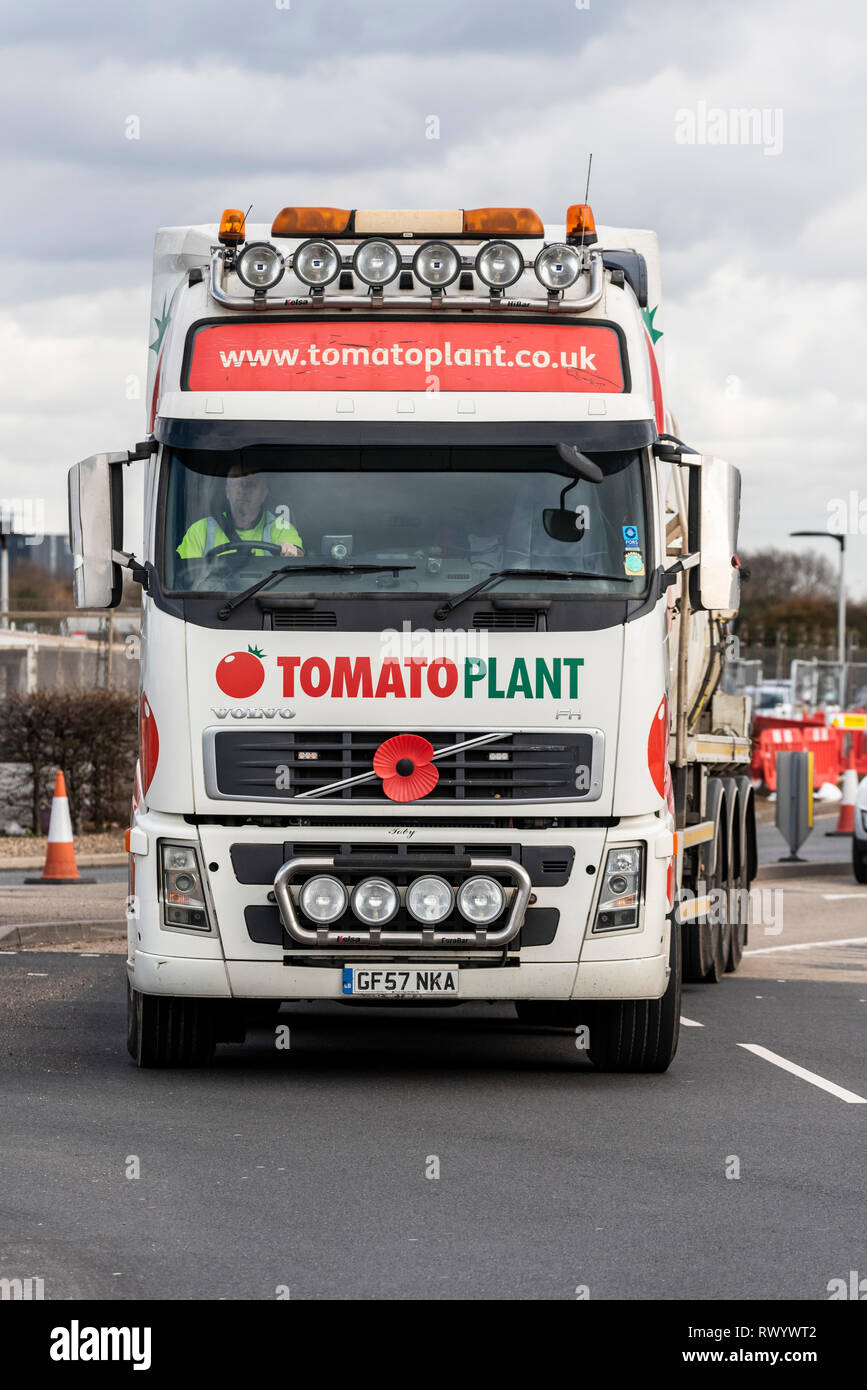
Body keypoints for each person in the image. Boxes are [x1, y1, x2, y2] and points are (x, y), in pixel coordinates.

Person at [176, 464, 303, 559]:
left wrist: (290, 551)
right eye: (237, 483)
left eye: (251, 484)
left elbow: (297, 556)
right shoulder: (200, 530)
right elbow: (185, 576)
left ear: (264, 494)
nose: (243, 490)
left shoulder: (280, 528)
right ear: (227, 492)